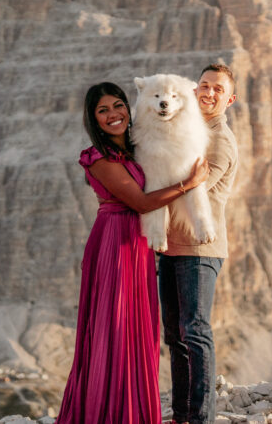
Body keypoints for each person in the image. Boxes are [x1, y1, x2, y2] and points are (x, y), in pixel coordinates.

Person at [58, 81, 210, 424]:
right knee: (114, 325)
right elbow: (140, 202)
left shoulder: (135, 146)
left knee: (135, 328)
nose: (113, 115)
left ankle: (134, 412)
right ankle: (107, 413)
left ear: (130, 107)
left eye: (118, 105)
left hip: (138, 243)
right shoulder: (98, 157)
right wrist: (189, 183)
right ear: (93, 119)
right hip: (114, 243)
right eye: (103, 110)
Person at [159, 63, 238, 424]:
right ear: (193, 90)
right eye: (204, 85)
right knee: (175, 336)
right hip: (172, 247)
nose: (208, 92)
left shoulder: (219, 139)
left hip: (200, 251)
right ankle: (182, 415)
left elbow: (195, 190)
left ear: (229, 99)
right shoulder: (187, 129)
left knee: (196, 330)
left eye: (217, 89)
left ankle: (201, 417)